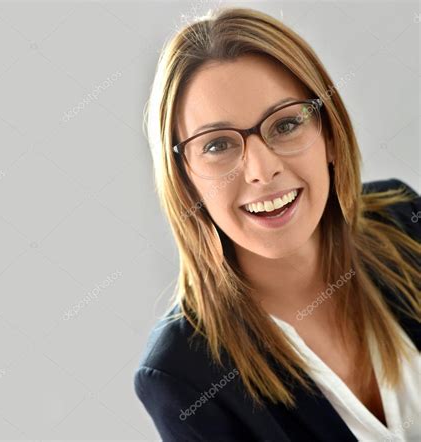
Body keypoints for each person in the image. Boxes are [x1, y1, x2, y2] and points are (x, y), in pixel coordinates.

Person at [134, 7, 420, 441]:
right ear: (185, 178)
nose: (261, 171)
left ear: (329, 132)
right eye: (217, 145)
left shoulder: (405, 221)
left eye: (286, 124)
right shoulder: (182, 375)